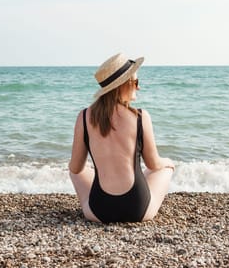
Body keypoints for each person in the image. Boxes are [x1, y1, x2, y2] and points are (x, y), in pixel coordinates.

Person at [69, 53, 175, 223]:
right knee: (164, 168)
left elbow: (75, 168)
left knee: (78, 172)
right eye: (136, 83)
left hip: (99, 212)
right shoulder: (140, 117)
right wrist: (168, 162)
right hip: (138, 209)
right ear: (124, 85)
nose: (138, 88)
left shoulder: (84, 117)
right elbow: (153, 164)